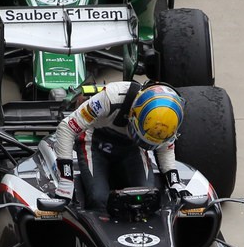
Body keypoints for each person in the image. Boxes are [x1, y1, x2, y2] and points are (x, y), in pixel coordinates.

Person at [53, 81, 184, 213]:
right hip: (95, 144)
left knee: (148, 196)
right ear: (133, 114)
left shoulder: (169, 118)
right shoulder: (110, 98)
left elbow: (165, 147)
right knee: (99, 198)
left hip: (132, 148)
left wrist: (174, 181)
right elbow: (67, 127)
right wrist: (66, 179)